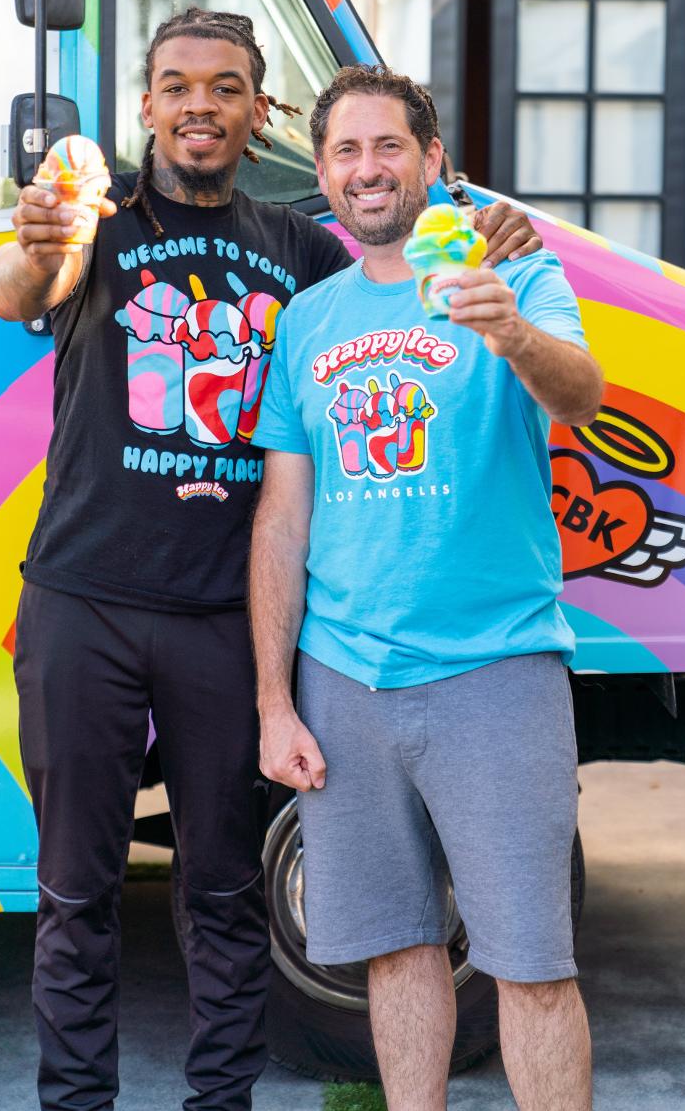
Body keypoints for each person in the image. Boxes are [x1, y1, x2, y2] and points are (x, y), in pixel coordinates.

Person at [0, 7, 541, 1111]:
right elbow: (21, 286)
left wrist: (492, 224)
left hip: (222, 617)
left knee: (225, 890)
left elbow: (397, 256)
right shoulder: (100, 221)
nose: (201, 103)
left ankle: (219, 1100)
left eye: (227, 85)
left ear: (258, 110)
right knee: (76, 890)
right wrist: (38, 235)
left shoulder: (299, 247)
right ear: (146, 106)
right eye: (179, 84)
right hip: (80, 604)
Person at [249, 63, 604, 1111]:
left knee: (531, 963)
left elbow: (581, 398)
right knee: (394, 955)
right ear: (322, 173)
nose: (369, 169)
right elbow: (282, 516)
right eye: (347, 151)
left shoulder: (513, 273)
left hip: (495, 669)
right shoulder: (306, 321)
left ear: (433, 159)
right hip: (344, 681)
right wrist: (275, 700)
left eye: (390, 146)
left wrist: (511, 329)